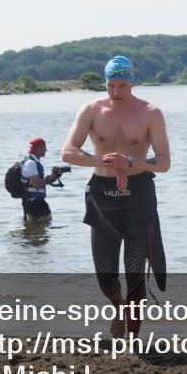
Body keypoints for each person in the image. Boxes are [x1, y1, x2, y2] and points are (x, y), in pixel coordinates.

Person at [61, 55, 171, 338]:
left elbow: (163, 163)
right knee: (106, 276)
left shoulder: (151, 113)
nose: (115, 92)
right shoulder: (91, 110)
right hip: (102, 198)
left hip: (139, 199)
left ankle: (133, 341)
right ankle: (117, 305)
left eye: (121, 85)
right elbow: (68, 152)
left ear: (132, 82)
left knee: (135, 277)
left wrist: (132, 163)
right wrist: (108, 162)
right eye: (111, 85)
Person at [20, 137, 64, 224]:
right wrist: (51, 177)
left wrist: (53, 177)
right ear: (38, 148)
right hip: (35, 201)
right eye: (44, 147)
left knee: (33, 228)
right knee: (47, 220)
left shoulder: (30, 161)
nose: (46, 150)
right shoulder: (31, 163)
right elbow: (37, 185)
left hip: (30, 201)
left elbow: (37, 183)